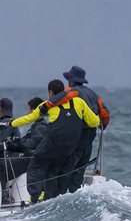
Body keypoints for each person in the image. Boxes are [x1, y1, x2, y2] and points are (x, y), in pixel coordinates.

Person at [9, 79, 100, 203]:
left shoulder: (49, 105)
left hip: (53, 143)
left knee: (36, 164)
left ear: (50, 93)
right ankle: (51, 199)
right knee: (54, 169)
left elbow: (29, 118)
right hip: (70, 146)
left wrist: (11, 123)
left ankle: (34, 199)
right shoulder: (79, 102)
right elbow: (94, 122)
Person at [40, 66, 110, 194]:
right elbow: (105, 114)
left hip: (75, 135)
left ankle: (59, 197)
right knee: (80, 167)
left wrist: (44, 109)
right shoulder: (94, 95)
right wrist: (103, 126)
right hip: (90, 135)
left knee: (66, 166)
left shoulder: (71, 91)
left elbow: (56, 100)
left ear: (71, 81)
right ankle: (74, 194)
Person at [0, 97, 47, 200]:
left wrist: (19, 141)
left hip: (31, 161)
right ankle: (2, 194)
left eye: (29, 109)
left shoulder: (41, 127)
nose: (28, 112)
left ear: (34, 111)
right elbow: (24, 145)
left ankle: (1, 197)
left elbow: (34, 142)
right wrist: (12, 146)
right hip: (28, 158)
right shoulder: (36, 126)